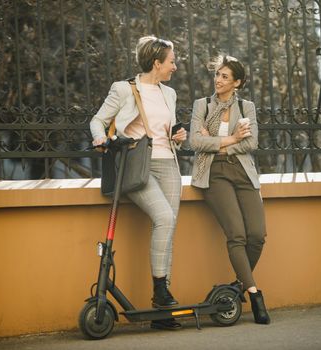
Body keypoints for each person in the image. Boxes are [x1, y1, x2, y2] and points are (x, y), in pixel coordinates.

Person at [90, 35, 187, 330]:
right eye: (171, 61)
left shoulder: (168, 94)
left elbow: (166, 129)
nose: (175, 66)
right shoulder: (123, 89)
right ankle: (160, 289)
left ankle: (162, 312)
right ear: (156, 63)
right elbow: (97, 120)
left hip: (168, 164)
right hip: (137, 164)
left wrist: (177, 137)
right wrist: (99, 138)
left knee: (167, 230)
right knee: (164, 217)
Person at [189, 55, 270, 325]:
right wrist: (233, 137)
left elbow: (252, 143)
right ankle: (255, 294)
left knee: (257, 235)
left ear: (237, 82)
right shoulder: (203, 105)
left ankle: (237, 287)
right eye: (217, 75)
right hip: (214, 173)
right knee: (237, 235)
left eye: (225, 76)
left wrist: (224, 144)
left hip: (243, 171)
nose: (218, 80)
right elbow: (194, 141)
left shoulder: (247, 107)